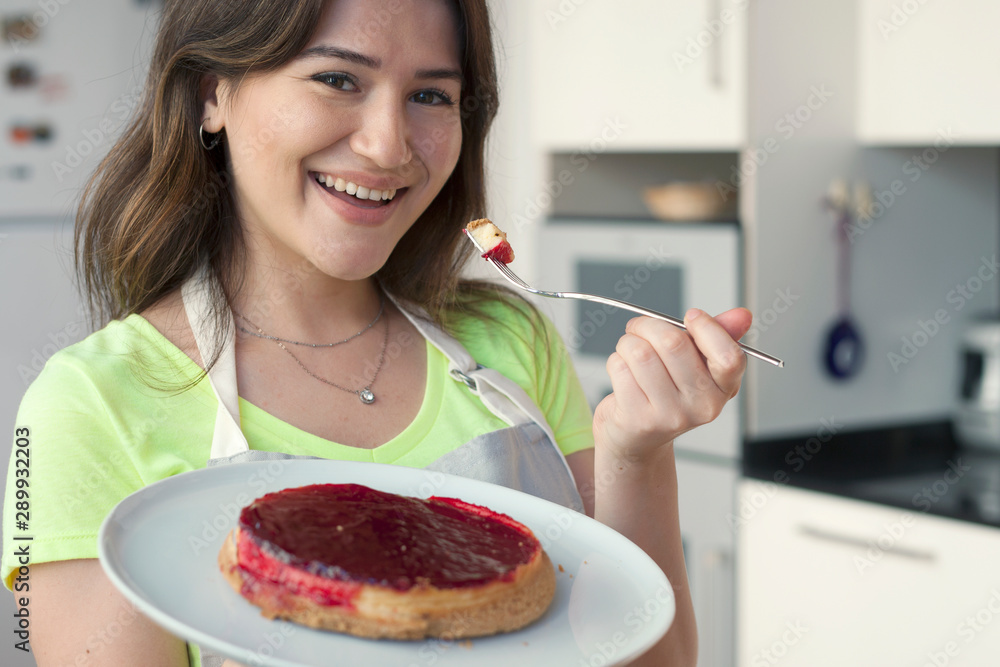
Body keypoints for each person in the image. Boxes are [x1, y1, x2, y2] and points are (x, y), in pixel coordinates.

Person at [2, 1, 751, 665]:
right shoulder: (86, 405)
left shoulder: (511, 337)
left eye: (431, 94)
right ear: (212, 94)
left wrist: (638, 451)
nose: (390, 145)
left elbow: (650, 661)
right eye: (337, 79)